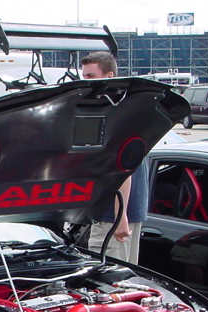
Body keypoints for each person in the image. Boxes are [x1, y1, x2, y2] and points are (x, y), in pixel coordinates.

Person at [81, 51, 150, 264]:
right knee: (125, 275)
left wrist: (120, 217)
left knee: (107, 277)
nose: (86, 83)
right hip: (128, 213)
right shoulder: (132, 110)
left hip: (112, 217)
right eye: (84, 77)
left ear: (110, 76)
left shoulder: (112, 115)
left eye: (91, 76)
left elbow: (123, 169)